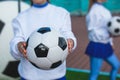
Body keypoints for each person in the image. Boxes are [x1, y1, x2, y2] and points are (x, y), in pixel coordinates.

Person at [10, 0, 77, 80]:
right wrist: (18, 46)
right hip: (30, 75)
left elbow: (68, 35)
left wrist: (71, 42)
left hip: (56, 75)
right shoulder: (20, 18)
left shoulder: (62, 13)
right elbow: (16, 42)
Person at [85, 0, 120, 80]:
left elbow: (108, 28)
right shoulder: (93, 11)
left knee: (116, 65)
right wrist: (109, 35)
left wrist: (110, 43)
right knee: (94, 74)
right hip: (97, 46)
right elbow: (91, 31)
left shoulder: (104, 10)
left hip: (106, 45)